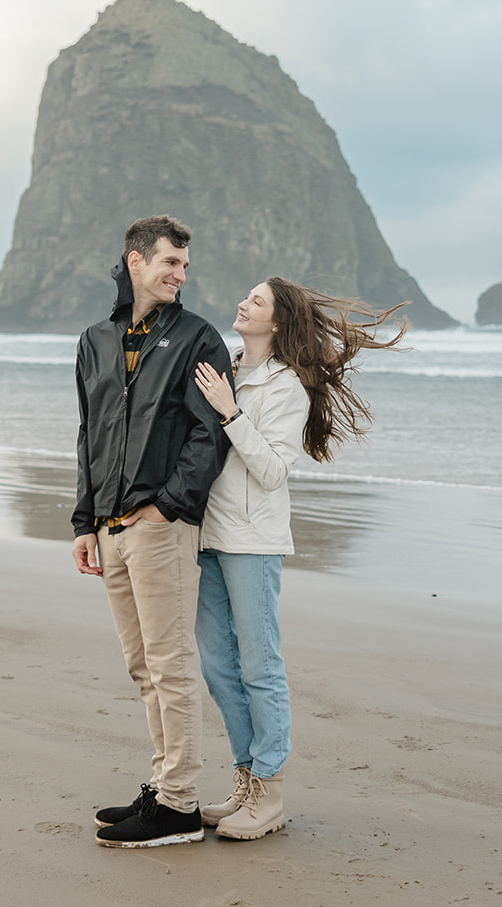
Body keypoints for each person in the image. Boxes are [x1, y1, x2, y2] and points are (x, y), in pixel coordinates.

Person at [191, 277, 407, 840]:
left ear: (279, 321)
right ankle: (245, 780)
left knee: (260, 667)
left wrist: (230, 412)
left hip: (253, 539)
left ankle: (270, 791)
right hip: (207, 533)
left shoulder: (285, 387)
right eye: (245, 295)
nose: (242, 302)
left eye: (256, 300)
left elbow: (272, 470)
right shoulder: (228, 365)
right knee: (218, 666)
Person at [71, 215, 232, 849]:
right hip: (110, 526)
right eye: (170, 262)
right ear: (135, 261)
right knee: (142, 666)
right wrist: (85, 521)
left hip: (159, 527)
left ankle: (181, 804)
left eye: (185, 266)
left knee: (170, 664)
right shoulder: (95, 340)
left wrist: (169, 505)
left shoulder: (199, 339)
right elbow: (90, 435)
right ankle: (166, 787)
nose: (179, 274)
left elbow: (209, 432)